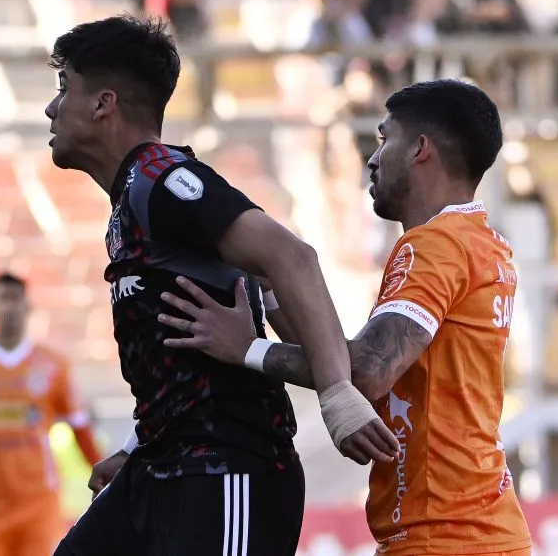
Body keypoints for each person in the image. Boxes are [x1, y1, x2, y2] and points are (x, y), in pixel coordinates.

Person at [43, 15, 397, 556]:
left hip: (227, 469)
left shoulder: (161, 179)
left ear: (103, 104)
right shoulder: (132, 200)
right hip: (164, 465)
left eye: (64, 87)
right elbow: (225, 301)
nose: (51, 107)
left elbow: (291, 258)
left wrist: (337, 396)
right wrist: (141, 442)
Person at [158, 80, 534, 555]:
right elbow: (345, 364)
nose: (373, 159)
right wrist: (273, 288)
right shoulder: (479, 243)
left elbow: (363, 372)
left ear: (420, 149)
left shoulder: (437, 246)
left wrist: (247, 349)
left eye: (384, 138)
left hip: (449, 534)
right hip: (467, 530)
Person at [0, 272, 103, 556]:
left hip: (38, 506)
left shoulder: (53, 366)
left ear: (28, 306)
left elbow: (81, 430)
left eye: (15, 299)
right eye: (2, 299)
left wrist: (110, 485)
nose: (9, 307)